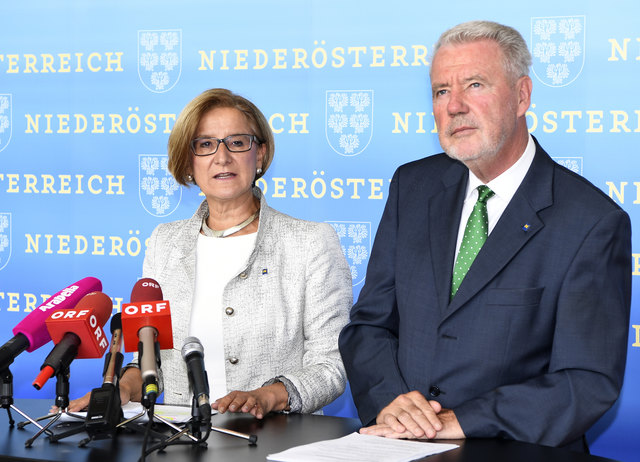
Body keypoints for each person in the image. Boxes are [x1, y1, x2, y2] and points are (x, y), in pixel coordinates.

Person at [338, 20, 631, 451]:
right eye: (441, 91)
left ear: (521, 96)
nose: (454, 105)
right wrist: (392, 401)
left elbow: (586, 381)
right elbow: (368, 324)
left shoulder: (591, 221)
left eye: (474, 85)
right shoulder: (412, 187)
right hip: (400, 447)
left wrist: (464, 420)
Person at [67, 88, 352, 418]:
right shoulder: (164, 243)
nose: (222, 156)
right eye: (205, 144)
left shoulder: (311, 243)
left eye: (237, 142)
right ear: (189, 162)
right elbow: (146, 358)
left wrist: (269, 395)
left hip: (271, 440)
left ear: (259, 155)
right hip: (175, 443)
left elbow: (332, 366)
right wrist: (122, 389)